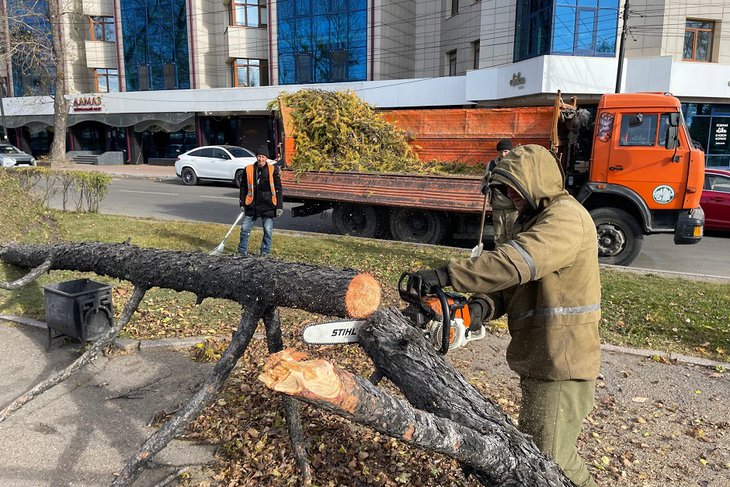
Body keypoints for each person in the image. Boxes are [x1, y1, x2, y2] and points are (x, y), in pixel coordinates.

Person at [415, 144, 600, 487]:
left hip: (562, 361)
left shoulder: (565, 220)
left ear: (535, 182)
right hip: (542, 356)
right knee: (538, 452)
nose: (511, 197)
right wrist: (481, 307)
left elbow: (515, 264)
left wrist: (447, 274)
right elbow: (514, 283)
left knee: (553, 460)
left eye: (514, 188)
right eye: (506, 190)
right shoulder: (536, 220)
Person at [237, 145, 283, 256]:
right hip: (251, 204)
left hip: (268, 205)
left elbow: (278, 189)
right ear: (256, 157)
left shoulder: (273, 170)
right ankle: (242, 251)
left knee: (268, 230)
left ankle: (265, 252)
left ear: (266, 158)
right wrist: (242, 203)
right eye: (259, 156)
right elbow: (243, 187)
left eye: (263, 157)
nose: (260, 159)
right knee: (245, 229)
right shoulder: (248, 169)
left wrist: (279, 206)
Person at [481, 139, 518, 246]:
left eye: (506, 151)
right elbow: (485, 180)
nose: (503, 154)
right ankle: (499, 258)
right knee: (498, 236)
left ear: (510, 151)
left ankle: (511, 258)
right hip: (497, 206)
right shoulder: (492, 165)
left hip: (512, 208)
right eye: (501, 152)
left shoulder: (515, 165)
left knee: (511, 235)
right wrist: (484, 188)